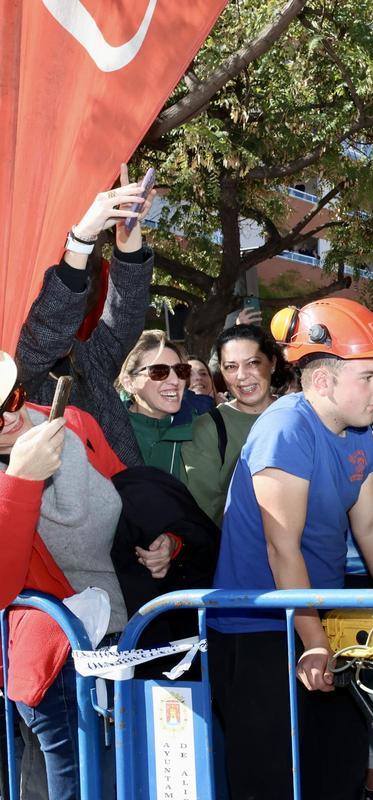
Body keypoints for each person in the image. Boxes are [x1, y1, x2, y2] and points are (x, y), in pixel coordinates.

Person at [208, 298, 373, 800]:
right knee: (271, 778)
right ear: (322, 380)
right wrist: (314, 641)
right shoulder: (285, 428)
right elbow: (282, 548)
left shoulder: (356, 431)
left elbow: (371, 525)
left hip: (318, 621)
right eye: (368, 377)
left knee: (336, 769)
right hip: (260, 629)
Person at [0, 349, 135, 799]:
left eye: (13, 397)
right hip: (52, 653)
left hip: (125, 632)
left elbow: (131, 500)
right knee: (76, 784)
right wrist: (21, 478)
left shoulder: (75, 423)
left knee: (124, 778)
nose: (13, 416)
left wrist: (162, 544)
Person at [16, 166, 157, 468]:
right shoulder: (19, 376)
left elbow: (125, 317)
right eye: (65, 291)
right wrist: (80, 240)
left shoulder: (88, 360)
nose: (73, 302)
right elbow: (47, 334)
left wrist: (127, 234)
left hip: (132, 497)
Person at [182, 324, 285, 524]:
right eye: (231, 366)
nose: (242, 375)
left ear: (272, 362)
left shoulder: (299, 414)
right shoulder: (209, 428)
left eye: (253, 362)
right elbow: (205, 508)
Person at [117, 331, 196, 481]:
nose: (175, 380)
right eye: (159, 371)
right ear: (129, 383)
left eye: (180, 370)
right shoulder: (107, 432)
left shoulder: (203, 428)